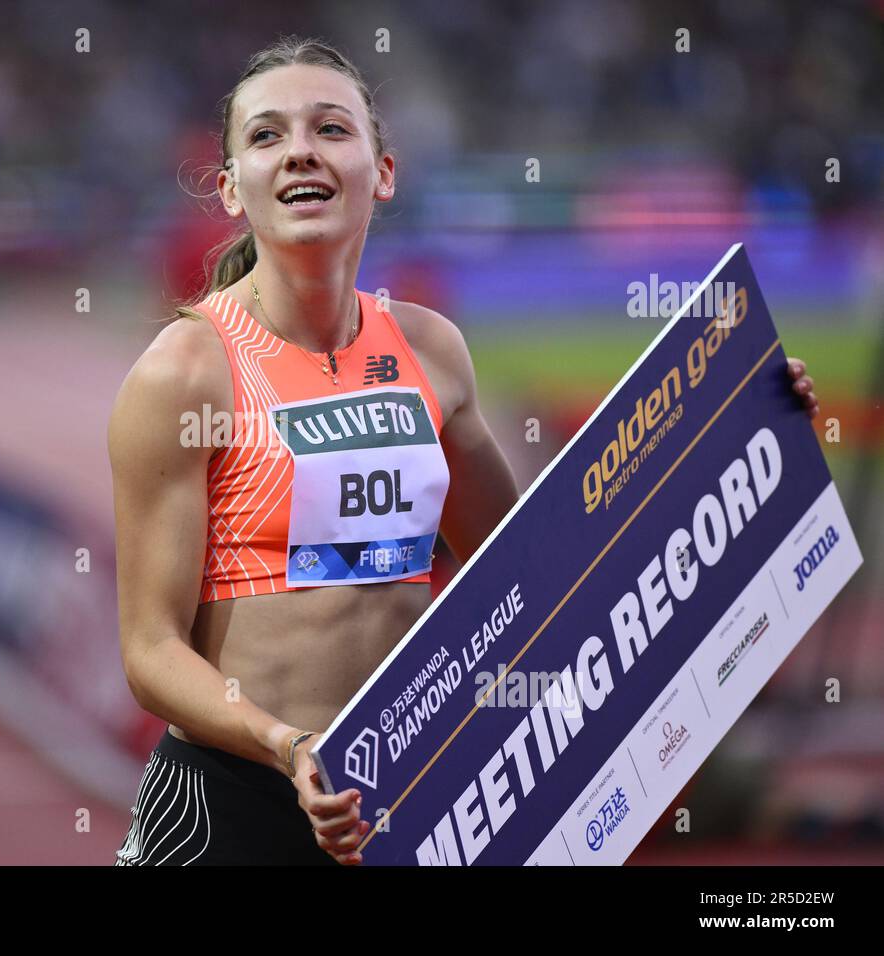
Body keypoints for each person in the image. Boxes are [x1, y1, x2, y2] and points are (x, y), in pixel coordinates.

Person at [108, 35, 821, 866]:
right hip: (233, 805)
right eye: (267, 135)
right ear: (232, 188)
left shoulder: (430, 351)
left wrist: (732, 432)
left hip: (406, 806)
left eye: (331, 128)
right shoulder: (185, 373)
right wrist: (289, 744)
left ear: (383, 172)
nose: (300, 149)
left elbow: (529, 567)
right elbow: (150, 648)